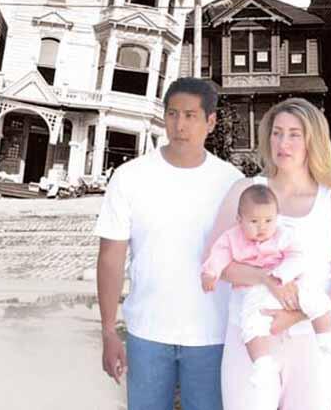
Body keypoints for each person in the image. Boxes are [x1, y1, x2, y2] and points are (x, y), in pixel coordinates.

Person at [95, 77, 243, 410]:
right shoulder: (131, 176)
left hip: (212, 334)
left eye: (190, 115)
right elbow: (110, 258)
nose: (179, 125)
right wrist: (108, 331)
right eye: (172, 114)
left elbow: (248, 257)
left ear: (211, 121)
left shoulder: (231, 182)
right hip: (147, 332)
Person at [205, 97, 331, 410]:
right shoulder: (245, 191)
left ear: (312, 141)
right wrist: (265, 277)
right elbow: (215, 260)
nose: (283, 142)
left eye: (294, 134)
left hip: (313, 343)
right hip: (249, 338)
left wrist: (295, 316)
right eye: (277, 133)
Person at [202, 183, 331, 390]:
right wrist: (210, 273)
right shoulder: (231, 237)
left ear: (277, 217)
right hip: (254, 291)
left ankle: (326, 339)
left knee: (317, 301)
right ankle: (262, 363)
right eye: (254, 221)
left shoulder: (283, 234)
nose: (262, 227)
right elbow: (219, 255)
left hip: (288, 285)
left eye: (269, 220)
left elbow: (298, 255)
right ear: (239, 220)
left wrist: (282, 274)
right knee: (251, 324)